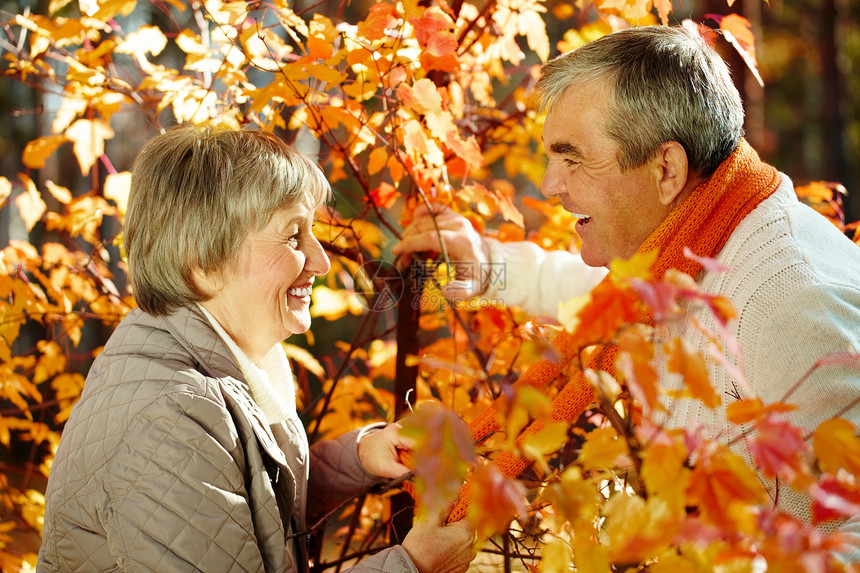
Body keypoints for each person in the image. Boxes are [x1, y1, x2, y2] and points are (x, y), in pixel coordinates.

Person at [394, 25, 860, 559]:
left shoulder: (792, 302)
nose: (549, 184)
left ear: (665, 169)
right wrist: (487, 271)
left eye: (572, 158)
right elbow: (599, 293)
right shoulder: (702, 238)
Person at [38, 125, 477, 573]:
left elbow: (246, 513)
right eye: (292, 236)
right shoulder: (168, 415)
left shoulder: (221, 372)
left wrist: (362, 456)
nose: (322, 261)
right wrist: (415, 566)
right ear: (202, 261)